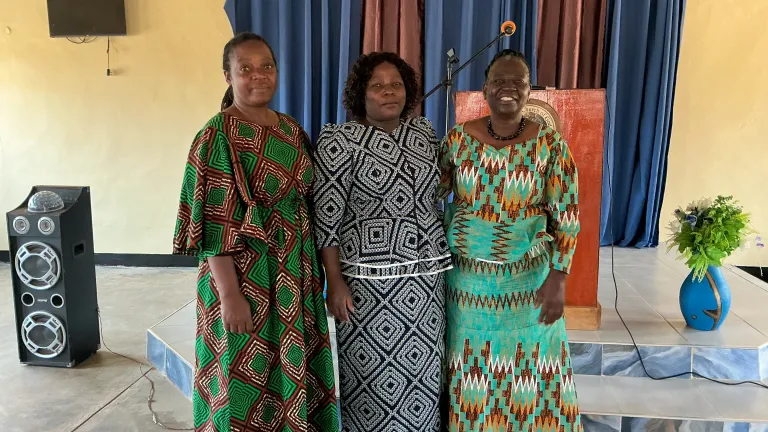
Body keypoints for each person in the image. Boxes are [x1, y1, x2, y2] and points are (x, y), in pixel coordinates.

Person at [172, 32, 338, 432]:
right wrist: (229, 296)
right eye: (245, 68)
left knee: (293, 371)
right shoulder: (216, 136)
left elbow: (308, 200)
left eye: (267, 66)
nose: (258, 75)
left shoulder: (291, 129)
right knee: (245, 372)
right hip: (245, 275)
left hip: (294, 274)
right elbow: (211, 223)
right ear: (228, 76)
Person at [438, 49, 583, 431]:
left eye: (516, 81)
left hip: (530, 282)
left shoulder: (550, 145)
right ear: (484, 89)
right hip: (468, 285)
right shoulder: (457, 140)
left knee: (532, 369)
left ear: (528, 89)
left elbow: (566, 215)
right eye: (498, 81)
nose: (507, 88)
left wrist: (559, 277)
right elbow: (429, 194)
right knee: (473, 371)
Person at [312, 52, 451, 432]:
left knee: (424, 378)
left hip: (427, 283)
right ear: (362, 94)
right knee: (373, 380)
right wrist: (334, 282)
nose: (388, 92)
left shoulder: (423, 132)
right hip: (370, 289)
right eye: (377, 85)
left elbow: (437, 191)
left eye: (396, 84)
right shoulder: (340, 141)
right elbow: (326, 220)